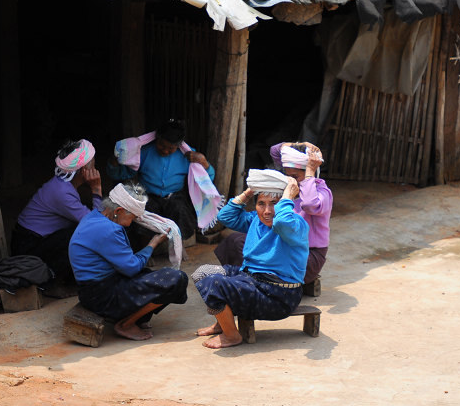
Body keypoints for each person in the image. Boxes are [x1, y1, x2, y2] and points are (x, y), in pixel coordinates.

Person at [193, 169, 308, 349]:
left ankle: (231, 336)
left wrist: (287, 196)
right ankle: (223, 324)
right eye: (261, 203)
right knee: (202, 273)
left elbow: (282, 222)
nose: (268, 211)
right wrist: (249, 192)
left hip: (278, 295)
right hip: (251, 280)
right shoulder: (255, 219)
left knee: (215, 283)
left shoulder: (296, 224)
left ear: (286, 204)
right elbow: (225, 216)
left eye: (275, 204)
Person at [68, 182, 189, 341]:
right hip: (101, 296)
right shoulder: (109, 230)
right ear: (118, 211)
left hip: (92, 290)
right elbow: (131, 268)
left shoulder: (94, 216)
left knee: (152, 276)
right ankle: (126, 324)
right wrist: (152, 244)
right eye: (132, 217)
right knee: (176, 279)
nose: (133, 222)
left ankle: (138, 317)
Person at [214, 141, 332, 291]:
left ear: (311, 171)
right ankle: (249, 281)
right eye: (287, 176)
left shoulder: (321, 193)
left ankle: (271, 286)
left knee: (269, 256)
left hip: (307, 256)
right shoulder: (275, 199)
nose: (291, 182)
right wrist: (300, 143)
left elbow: (309, 204)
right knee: (236, 241)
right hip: (281, 245)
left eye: (295, 176)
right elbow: (276, 151)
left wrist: (309, 171)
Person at [108, 119, 218, 242]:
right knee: (142, 217)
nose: (165, 150)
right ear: (157, 139)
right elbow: (123, 174)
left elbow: (208, 178)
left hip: (175, 196)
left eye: (171, 148)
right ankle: (148, 250)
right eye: (162, 145)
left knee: (181, 212)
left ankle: (176, 245)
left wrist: (203, 161)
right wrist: (115, 161)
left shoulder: (189, 155)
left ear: (179, 145)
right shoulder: (143, 152)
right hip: (147, 195)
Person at [11, 139, 103, 283]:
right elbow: (97, 224)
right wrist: (97, 190)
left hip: (30, 241)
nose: (95, 168)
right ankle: (53, 282)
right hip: (28, 247)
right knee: (83, 234)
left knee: (79, 230)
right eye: (93, 164)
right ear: (84, 170)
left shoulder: (63, 186)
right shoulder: (62, 193)